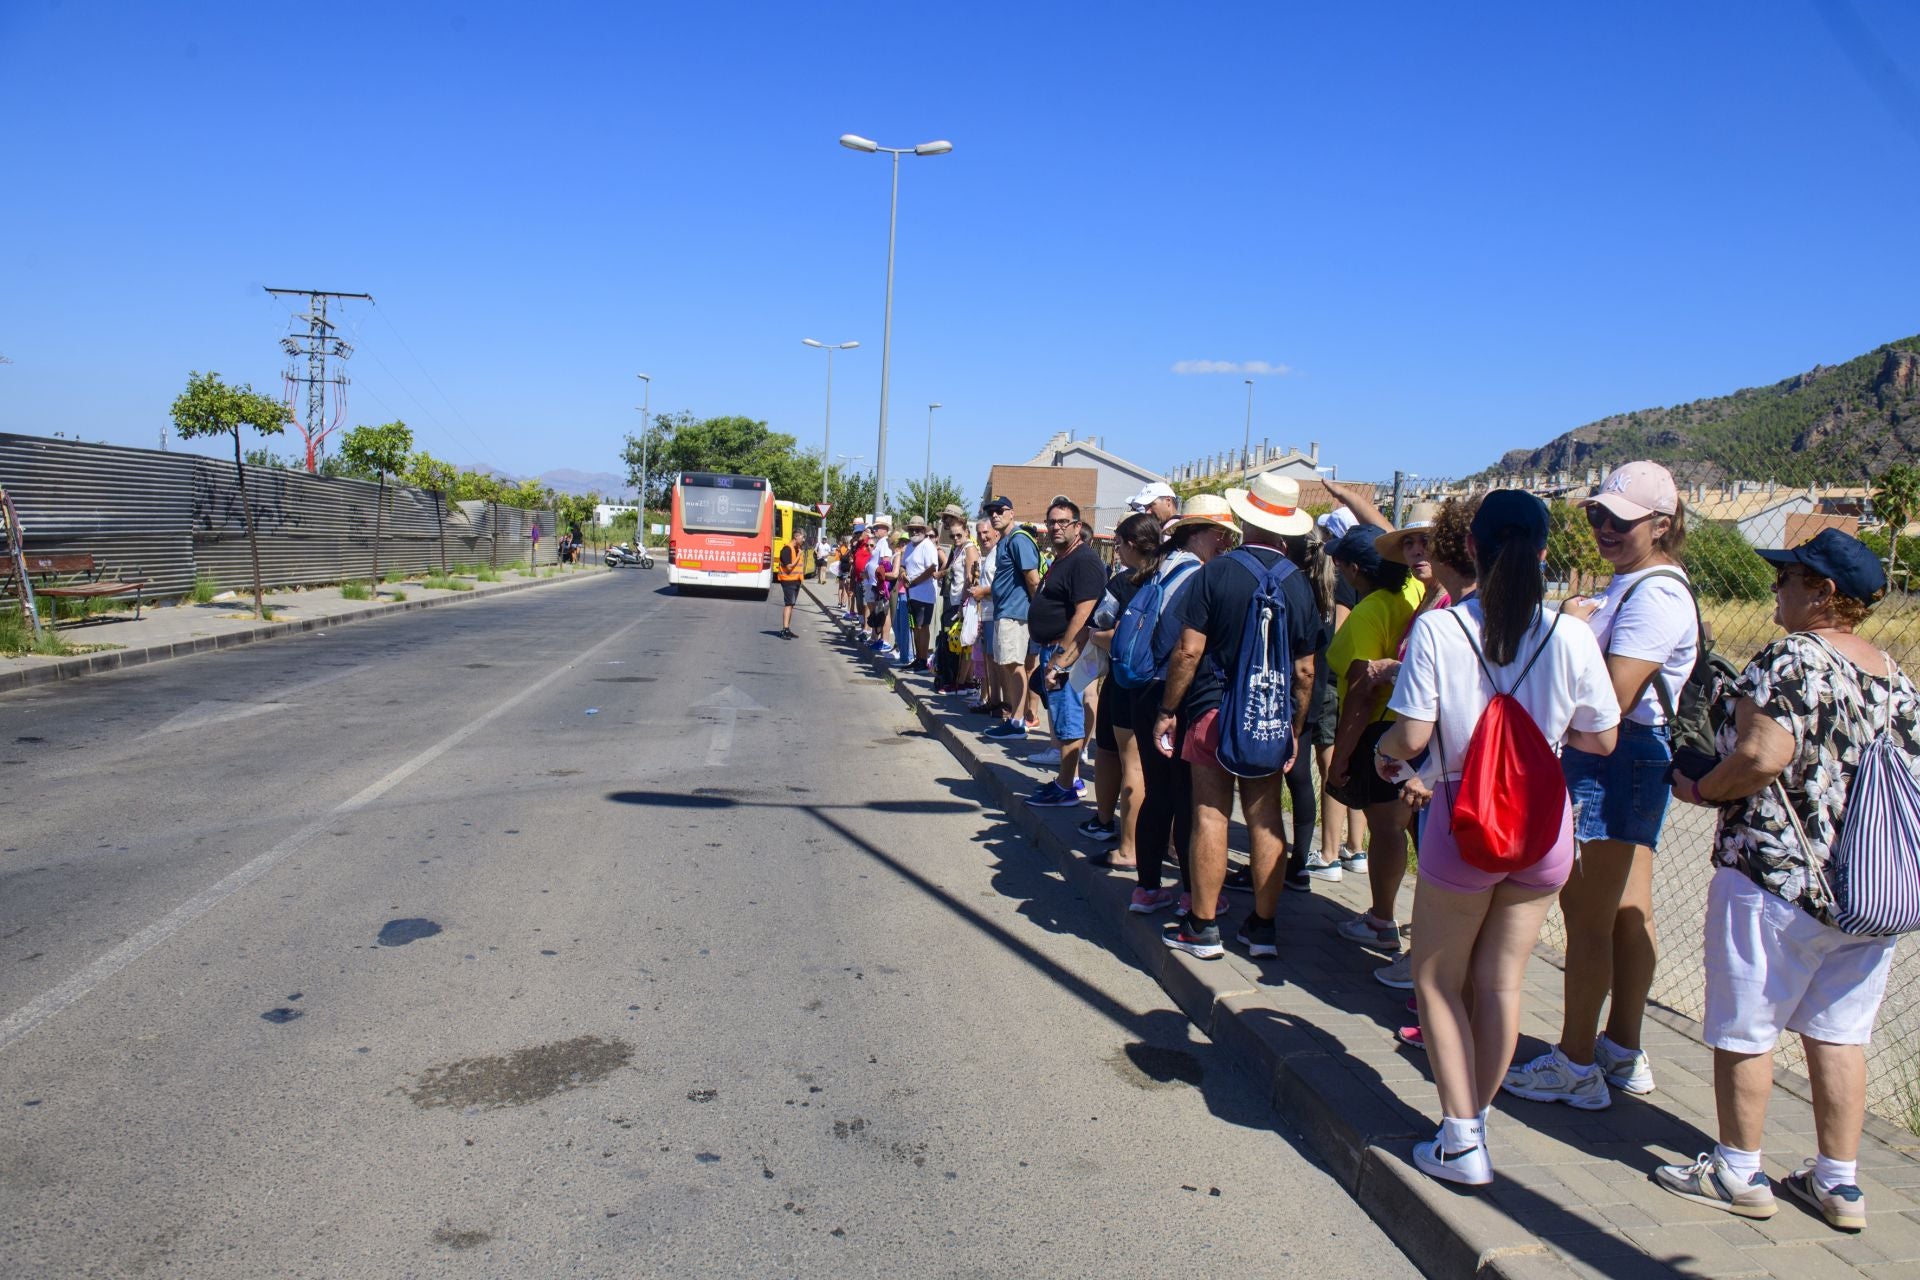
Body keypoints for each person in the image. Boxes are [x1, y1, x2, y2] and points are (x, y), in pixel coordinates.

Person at [1654, 530, 1910, 1230]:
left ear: (1825, 593)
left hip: (1777, 874)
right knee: (1840, 1032)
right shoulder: (1893, 674)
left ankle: (1738, 1168)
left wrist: (1708, 787)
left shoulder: (1793, 658)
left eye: (1789, 578)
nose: (1777, 589)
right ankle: (1839, 1182)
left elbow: (1764, 754)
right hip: (1865, 887)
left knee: (1747, 1024)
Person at [1373, 490, 1620, 1186]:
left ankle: (1459, 1137)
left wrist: (1389, 756)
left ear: (1472, 549)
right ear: (1545, 554)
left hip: (1463, 818)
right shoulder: (1569, 634)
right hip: (1545, 830)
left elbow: (1413, 736)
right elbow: (1601, 737)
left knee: (1435, 977)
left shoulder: (1442, 631)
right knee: (1502, 981)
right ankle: (1473, 1125)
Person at [1506, 461, 1696, 1111]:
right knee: (1622, 913)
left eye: (1620, 519)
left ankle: (1577, 1061)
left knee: (1586, 919)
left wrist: (1574, 631)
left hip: (1616, 757)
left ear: (1662, 525)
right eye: (1596, 515)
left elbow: (1608, 700)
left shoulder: (1655, 594)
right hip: (1627, 758)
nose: (1604, 529)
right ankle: (1618, 1048)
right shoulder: (1637, 584)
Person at [1157, 474, 1326, 960]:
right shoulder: (1300, 585)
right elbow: (1306, 669)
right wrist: (1293, 730)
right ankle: (1263, 929)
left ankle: (1203, 926)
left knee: (1210, 814)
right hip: (1268, 714)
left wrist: (1169, 710)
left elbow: (1188, 652)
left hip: (1211, 708)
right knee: (1266, 815)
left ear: (1246, 520)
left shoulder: (1216, 572)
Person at [1128, 497, 1236, 916]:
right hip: (1171, 694)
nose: (1225, 541)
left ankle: (1147, 889)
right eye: (1219, 533)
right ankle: (1194, 894)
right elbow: (1185, 650)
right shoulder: (1197, 576)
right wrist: (1171, 707)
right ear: (1199, 533)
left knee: (1159, 795)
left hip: (1141, 687)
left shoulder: (1162, 566)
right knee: (1188, 796)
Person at [1325, 524, 1426, 952]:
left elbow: (1362, 690)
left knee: (1388, 831)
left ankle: (1383, 918)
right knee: (1419, 834)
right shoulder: (1416, 596)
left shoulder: (1369, 612)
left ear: (1352, 569)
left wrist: (1341, 756)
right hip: (1416, 730)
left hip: (1381, 731)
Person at [1073, 513, 1163, 860]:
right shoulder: (1168, 579)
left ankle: (1126, 841)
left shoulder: (1122, 583)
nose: (1116, 550)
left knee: (1128, 762)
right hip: (1155, 682)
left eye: (1119, 543)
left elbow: (1102, 627)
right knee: (1136, 762)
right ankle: (1141, 834)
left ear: (1129, 545)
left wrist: (1099, 637)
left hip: (1126, 681)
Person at [1025, 498, 1108, 807]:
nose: (1056, 527)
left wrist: (1060, 658)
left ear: (1077, 526)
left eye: (1063, 522)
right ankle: (1067, 779)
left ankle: (1068, 788)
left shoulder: (1084, 561)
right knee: (1060, 718)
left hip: (1066, 653)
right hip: (1052, 650)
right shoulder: (1063, 558)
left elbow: (1083, 614)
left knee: (1069, 718)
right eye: (1052, 522)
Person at [983, 497, 1043, 741]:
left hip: (1016, 614)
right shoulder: (1006, 540)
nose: (995, 515)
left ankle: (1017, 722)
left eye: (1000, 511)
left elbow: (1033, 579)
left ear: (1012, 512)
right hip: (1005, 612)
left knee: (1015, 665)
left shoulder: (1019, 539)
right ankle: (1015, 719)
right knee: (1009, 664)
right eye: (991, 512)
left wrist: (1037, 612)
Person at [899, 517, 941, 671]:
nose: (914, 532)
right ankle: (918, 658)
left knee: (922, 627)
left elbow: (932, 569)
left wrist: (915, 582)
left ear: (924, 531)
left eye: (918, 529)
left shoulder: (927, 545)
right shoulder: (910, 546)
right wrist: (903, 574)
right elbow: (903, 565)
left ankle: (923, 660)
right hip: (912, 593)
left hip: (924, 594)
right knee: (915, 627)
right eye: (912, 529)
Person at [970, 517, 1002, 712]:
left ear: (996, 533)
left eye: (986, 532)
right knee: (988, 660)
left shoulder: (998, 553)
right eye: (979, 533)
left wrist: (982, 592)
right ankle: (990, 699)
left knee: (994, 660)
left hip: (995, 613)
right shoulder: (987, 555)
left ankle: (997, 703)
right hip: (986, 613)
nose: (983, 537)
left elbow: (1001, 585)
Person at [775, 534, 805, 638]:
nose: (803, 540)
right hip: (788, 581)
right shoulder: (786, 549)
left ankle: (787, 628)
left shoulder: (797, 548)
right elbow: (789, 567)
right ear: (796, 537)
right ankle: (785, 630)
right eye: (802, 537)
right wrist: (798, 555)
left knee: (791, 605)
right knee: (788, 604)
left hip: (796, 580)